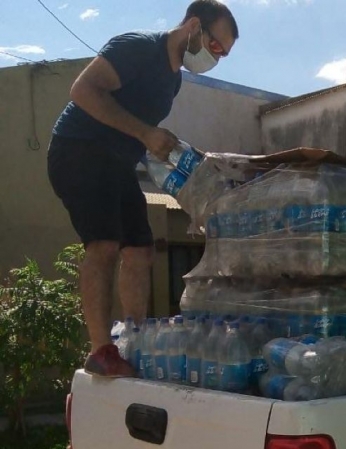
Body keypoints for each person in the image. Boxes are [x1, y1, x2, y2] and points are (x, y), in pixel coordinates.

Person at [47, 0, 238, 377]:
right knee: (103, 245)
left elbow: (138, 128)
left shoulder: (174, 79)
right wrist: (145, 133)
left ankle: (132, 342)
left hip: (116, 163)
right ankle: (101, 351)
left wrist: (168, 149)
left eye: (224, 55)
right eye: (215, 46)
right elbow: (82, 90)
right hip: (78, 150)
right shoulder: (137, 47)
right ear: (194, 26)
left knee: (140, 250)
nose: (216, 58)